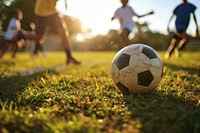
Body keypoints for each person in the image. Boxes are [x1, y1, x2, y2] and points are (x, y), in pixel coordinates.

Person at [24, 0, 81, 64]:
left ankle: (69, 56)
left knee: (63, 32)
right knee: (38, 38)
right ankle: (21, 35)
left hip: (53, 12)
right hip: (41, 13)